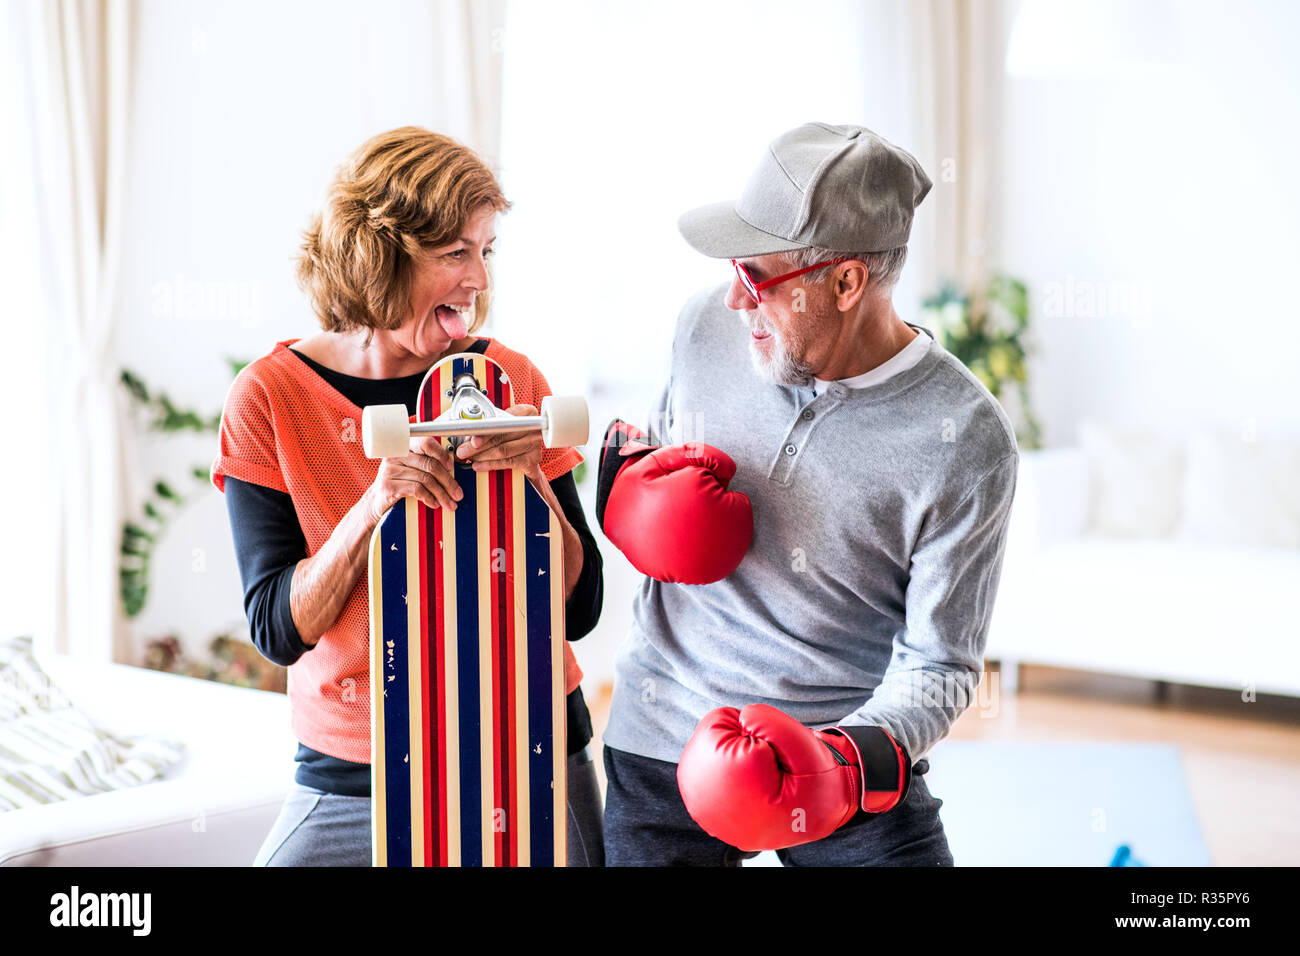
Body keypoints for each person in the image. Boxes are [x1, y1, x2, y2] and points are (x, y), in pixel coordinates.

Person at [596, 122, 1019, 866]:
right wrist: (628, 501)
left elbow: (942, 663)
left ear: (846, 281)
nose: (733, 299)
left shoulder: (967, 438)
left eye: (757, 275)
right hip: (666, 726)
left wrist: (845, 764)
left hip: (835, 748)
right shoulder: (704, 330)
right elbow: (648, 466)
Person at [210, 127, 605, 866]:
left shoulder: (509, 382)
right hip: (356, 767)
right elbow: (276, 629)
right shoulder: (269, 397)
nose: (480, 280)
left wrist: (534, 490)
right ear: (379, 253)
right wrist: (374, 508)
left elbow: (580, 612)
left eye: (486, 251)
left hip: (527, 744)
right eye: (456, 253)